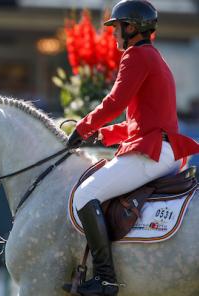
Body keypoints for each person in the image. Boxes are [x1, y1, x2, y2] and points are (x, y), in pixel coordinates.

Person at [63, 1, 199, 296]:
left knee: (85, 195)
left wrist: (82, 128)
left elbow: (114, 103)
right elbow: (141, 122)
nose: (113, 35)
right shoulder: (155, 58)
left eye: (117, 28)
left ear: (131, 28)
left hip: (152, 153)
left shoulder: (136, 56)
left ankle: (106, 279)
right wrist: (103, 135)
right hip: (162, 148)